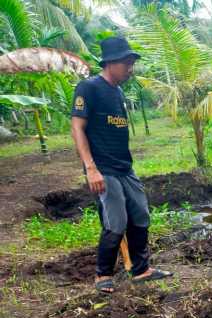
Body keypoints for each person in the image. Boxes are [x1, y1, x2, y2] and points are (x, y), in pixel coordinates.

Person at [71, 36, 172, 293]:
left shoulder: (117, 92)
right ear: (111, 63)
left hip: (125, 167)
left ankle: (140, 270)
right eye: (127, 63)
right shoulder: (89, 88)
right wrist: (91, 168)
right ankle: (102, 274)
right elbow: (77, 127)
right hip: (103, 168)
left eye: (131, 63)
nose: (131, 68)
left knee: (140, 215)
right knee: (116, 222)